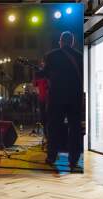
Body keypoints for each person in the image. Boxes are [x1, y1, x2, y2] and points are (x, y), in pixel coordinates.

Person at [35, 31, 83, 169]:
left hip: (57, 97)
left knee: (54, 127)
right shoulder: (80, 56)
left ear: (61, 41)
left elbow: (44, 73)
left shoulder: (51, 55)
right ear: (72, 42)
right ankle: (73, 159)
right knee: (74, 128)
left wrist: (37, 72)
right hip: (75, 97)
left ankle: (51, 157)